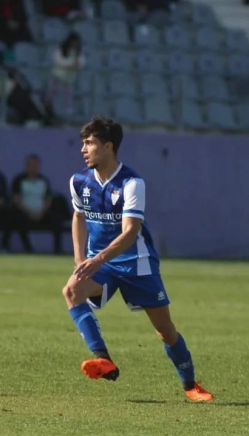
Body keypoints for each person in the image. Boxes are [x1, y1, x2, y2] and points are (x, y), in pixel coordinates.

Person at [62, 117, 214, 403]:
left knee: (165, 331)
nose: (83, 149)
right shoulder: (79, 181)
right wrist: (81, 258)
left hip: (137, 263)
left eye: (90, 143)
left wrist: (97, 259)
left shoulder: (132, 183)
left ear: (108, 147)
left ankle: (191, 385)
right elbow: (79, 216)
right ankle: (103, 359)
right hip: (102, 264)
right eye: (83, 143)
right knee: (71, 290)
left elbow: (131, 232)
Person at [9, 154, 63, 253]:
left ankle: (57, 249)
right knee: (15, 218)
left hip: (41, 213)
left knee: (56, 220)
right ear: (26, 166)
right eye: (30, 165)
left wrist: (41, 212)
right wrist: (29, 213)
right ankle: (28, 249)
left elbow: (48, 199)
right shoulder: (18, 180)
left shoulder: (43, 180)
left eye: (35, 165)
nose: (32, 167)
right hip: (25, 213)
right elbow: (16, 200)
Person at [47, 32, 84, 115]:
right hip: (58, 76)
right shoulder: (61, 48)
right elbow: (58, 60)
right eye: (73, 42)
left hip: (69, 78)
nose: (74, 44)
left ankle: (68, 113)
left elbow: (81, 62)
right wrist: (70, 64)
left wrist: (77, 64)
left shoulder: (78, 52)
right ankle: (46, 108)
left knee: (68, 96)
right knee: (52, 93)